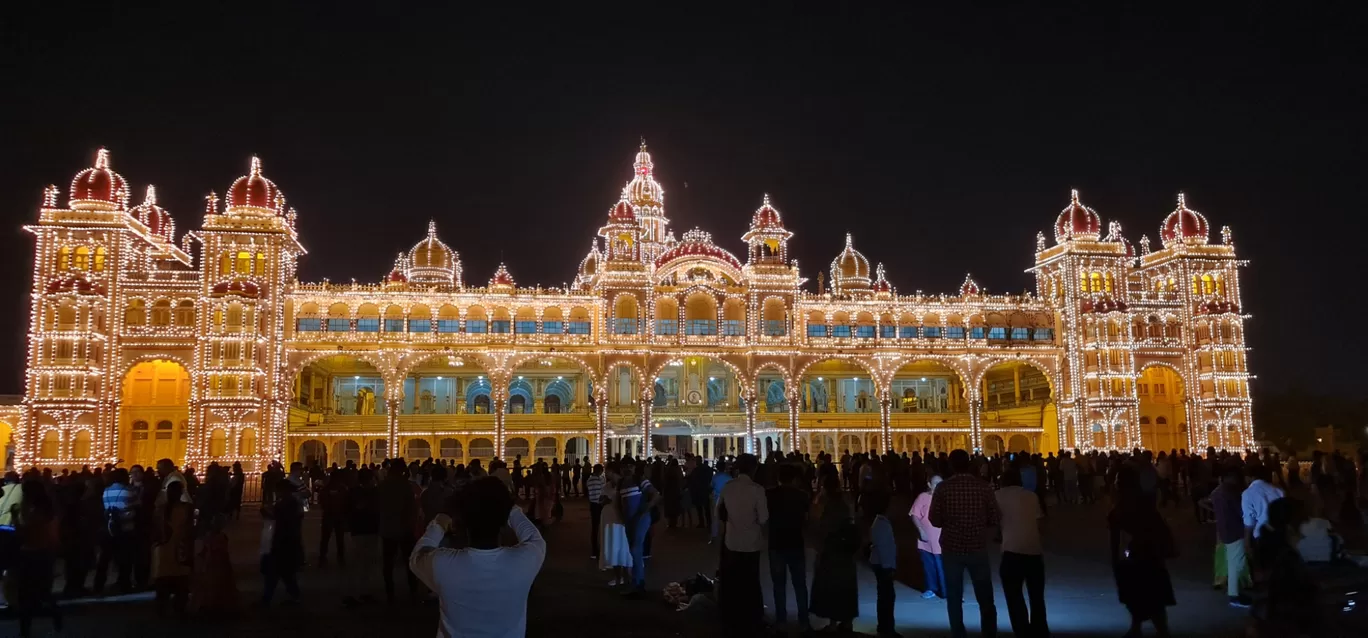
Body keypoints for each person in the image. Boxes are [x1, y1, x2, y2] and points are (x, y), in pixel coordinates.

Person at [410, 476, 546, 638]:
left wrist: (442, 518)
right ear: (503, 522)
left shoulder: (442, 564)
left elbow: (417, 555)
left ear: (461, 522)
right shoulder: (524, 561)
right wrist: (508, 506)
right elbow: (534, 537)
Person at [930, 449, 1000, 638]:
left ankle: (958, 633)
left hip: (951, 548)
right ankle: (989, 632)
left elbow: (934, 519)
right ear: (969, 463)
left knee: (954, 596)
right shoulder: (983, 487)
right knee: (985, 595)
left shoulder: (943, 488)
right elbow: (994, 518)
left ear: (951, 465)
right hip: (977, 546)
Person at [1109, 467, 1175, 638]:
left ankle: (1150, 629)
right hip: (1150, 557)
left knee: (1138, 596)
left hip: (1134, 558)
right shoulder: (1145, 502)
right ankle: (1144, 628)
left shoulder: (1121, 508)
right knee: (1151, 597)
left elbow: (1118, 538)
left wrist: (1116, 560)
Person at [1250, 497, 1320, 636]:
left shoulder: (1271, 549)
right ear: (1289, 526)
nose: (1307, 522)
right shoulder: (1287, 560)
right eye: (1302, 520)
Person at [716, 453, 768, 636]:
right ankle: (752, 619)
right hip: (752, 543)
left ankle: (732, 619)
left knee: (733, 582)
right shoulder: (757, 490)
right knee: (751, 582)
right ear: (754, 469)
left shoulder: (728, 488)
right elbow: (763, 519)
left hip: (732, 541)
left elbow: (719, 512)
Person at [996, 468, 1048, 638]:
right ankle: (1040, 630)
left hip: (1011, 550)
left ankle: (1022, 631)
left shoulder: (997, 496)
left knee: (1014, 596)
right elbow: (1039, 523)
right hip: (1033, 551)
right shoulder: (1031, 496)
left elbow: (993, 520)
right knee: (1037, 597)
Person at [809, 470, 859, 633]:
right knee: (846, 586)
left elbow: (818, 525)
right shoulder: (845, 500)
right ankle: (847, 621)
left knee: (831, 586)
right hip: (846, 550)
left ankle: (833, 622)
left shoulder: (826, 503)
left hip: (831, 550)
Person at [767, 463, 812, 633]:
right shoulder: (802, 496)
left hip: (776, 543)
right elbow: (807, 520)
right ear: (794, 479)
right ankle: (804, 621)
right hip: (795, 542)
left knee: (779, 584)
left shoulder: (770, 495)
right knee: (800, 584)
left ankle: (781, 621)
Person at [13, 480, 61, 637]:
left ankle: (25, 630)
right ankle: (55, 618)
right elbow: (53, 536)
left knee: (25, 594)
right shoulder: (48, 509)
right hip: (42, 554)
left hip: (30, 554)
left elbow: (24, 533)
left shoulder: (31, 510)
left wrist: (15, 518)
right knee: (42, 592)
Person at [378, 461, 420, 603]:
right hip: (404, 528)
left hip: (388, 528)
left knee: (388, 562)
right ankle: (413, 590)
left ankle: (390, 592)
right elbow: (412, 508)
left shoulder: (383, 485)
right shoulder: (405, 486)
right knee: (409, 560)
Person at [618, 463, 662, 596]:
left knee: (635, 548)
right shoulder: (621, 483)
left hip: (641, 518)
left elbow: (656, 494)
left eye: (629, 466)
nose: (627, 469)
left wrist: (647, 507)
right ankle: (637, 581)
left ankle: (638, 583)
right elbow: (621, 502)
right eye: (624, 466)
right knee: (634, 549)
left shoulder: (640, 480)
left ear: (633, 468)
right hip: (629, 521)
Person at [1209, 467, 1251, 607]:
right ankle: (1234, 595)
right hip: (1235, 530)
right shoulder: (1231, 492)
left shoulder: (1217, 492)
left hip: (1224, 530)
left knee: (1232, 562)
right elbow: (1240, 512)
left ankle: (1234, 593)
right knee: (1236, 564)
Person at [154, 480, 194, 616]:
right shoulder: (187, 508)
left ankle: (162, 608)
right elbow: (191, 529)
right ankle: (179, 608)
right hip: (180, 548)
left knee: (163, 579)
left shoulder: (160, 509)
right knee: (181, 580)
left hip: (163, 549)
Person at [262, 479, 304, 606]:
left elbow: (283, 519)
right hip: (286, 540)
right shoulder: (290, 503)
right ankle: (272, 598)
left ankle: (269, 598)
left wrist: (268, 514)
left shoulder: (287, 504)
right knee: (284, 573)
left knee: (279, 572)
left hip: (284, 541)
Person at [94, 467, 136, 594]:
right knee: (125, 559)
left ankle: (98, 584)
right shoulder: (129, 491)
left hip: (109, 528)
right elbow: (136, 507)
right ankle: (124, 584)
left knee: (104, 558)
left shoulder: (106, 491)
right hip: (126, 528)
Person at [344, 467, 381, 607]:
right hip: (370, 530)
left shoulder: (353, 492)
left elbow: (347, 509)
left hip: (357, 530)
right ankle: (364, 592)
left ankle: (354, 592)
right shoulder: (375, 493)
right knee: (367, 563)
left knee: (356, 563)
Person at [868, 490, 900, 638]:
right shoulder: (882, 524)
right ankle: (887, 628)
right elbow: (883, 548)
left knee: (885, 597)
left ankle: (885, 627)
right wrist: (889, 567)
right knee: (887, 597)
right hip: (883, 566)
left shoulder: (880, 523)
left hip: (882, 565)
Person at [194, 513, 239, 615]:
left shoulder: (214, 537)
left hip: (216, 565)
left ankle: (212, 605)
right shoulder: (218, 537)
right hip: (216, 565)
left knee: (213, 585)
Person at [909, 474, 946, 600]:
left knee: (944, 567)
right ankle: (931, 588)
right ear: (929, 485)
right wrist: (921, 531)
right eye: (936, 483)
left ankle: (947, 591)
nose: (939, 486)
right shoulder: (923, 497)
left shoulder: (947, 498)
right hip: (926, 540)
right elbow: (914, 515)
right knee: (929, 566)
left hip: (943, 540)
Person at [1242, 465, 1284, 551]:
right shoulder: (1279, 490)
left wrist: (1247, 542)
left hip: (1261, 536)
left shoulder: (1247, 493)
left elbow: (1249, 522)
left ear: (1250, 477)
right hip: (1280, 534)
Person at [318, 469, 349, 568]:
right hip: (339, 515)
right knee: (339, 538)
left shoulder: (326, 488)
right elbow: (346, 501)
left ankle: (323, 557)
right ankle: (340, 557)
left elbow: (321, 500)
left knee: (325, 538)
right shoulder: (343, 488)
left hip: (328, 515)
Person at [586, 464, 605, 559]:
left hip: (593, 504)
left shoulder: (589, 480)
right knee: (601, 526)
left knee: (594, 527)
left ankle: (594, 550)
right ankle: (601, 547)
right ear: (600, 471)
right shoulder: (600, 480)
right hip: (599, 505)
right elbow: (602, 492)